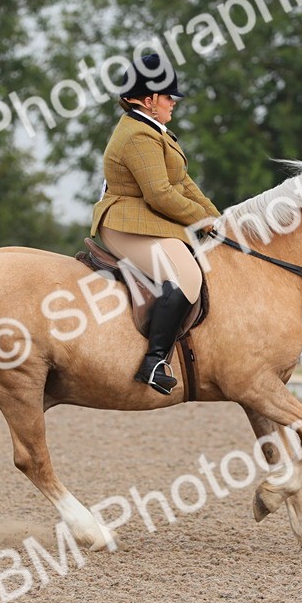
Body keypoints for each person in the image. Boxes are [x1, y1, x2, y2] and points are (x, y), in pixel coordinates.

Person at [90, 53, 221, 395]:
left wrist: (219, 218)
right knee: (186, 275)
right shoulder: (138, 135)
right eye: (167, 97)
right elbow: (160, 194)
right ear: (148, 101)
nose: (173, 103)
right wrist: (203, 222)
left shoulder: (155, 130)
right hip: (124, 224)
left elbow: (184, 183)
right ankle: (154, 361)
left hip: (144, 221)